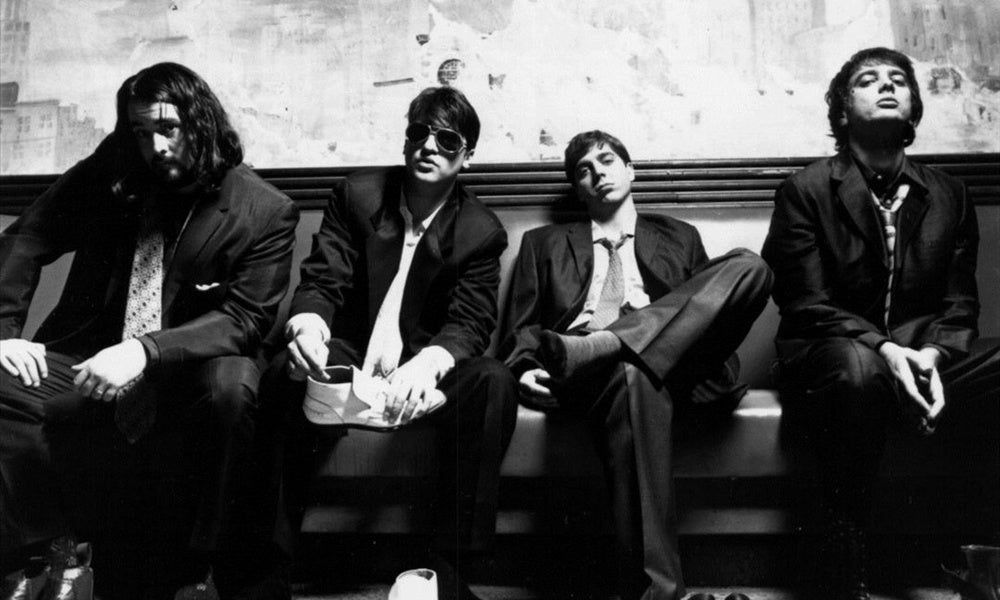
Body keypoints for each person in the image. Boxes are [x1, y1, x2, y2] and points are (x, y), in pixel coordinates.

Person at [0, 62, 298, 599]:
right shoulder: (112, 171)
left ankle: (202, 564)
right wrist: (4, 333)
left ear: (201, 122)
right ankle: (52, 548)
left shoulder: (264, 209)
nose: (155, 147)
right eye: (141, 132)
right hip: (91, 361)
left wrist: (145, 351)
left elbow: (245, 319)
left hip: (189, 370)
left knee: (234, 386)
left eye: (168, 128)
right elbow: (26, 237)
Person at [762, 47, 999, 600]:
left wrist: (932, 358)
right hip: (834, 353)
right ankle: (845, 567)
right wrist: (885, 350)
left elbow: (959, 305)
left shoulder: (950, 194)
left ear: (914, 106)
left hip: (921, 355)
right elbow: (805, 303)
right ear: (843, 112)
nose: (887, 86)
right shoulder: (805, 189)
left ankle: (979, 558)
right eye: (868, 81)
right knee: (859, 370)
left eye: (898, 80)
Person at [499, 130, 772, 600]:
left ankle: (610, 343)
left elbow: (707, 313)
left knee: (751, 266)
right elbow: (520, 328)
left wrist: (624, 339)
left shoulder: (680, 235)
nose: (597, 173)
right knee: (633, 374)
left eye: (607, 160)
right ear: (577, 187)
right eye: (584, 170)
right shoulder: (542, 243)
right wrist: (523, 370)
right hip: (592, 378)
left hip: (682, 366)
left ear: (630, 170)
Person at [272, 86, 518, 600]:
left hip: (420, 376)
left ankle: (450, 571)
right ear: (406, 142)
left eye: (446, 140)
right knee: (281, 371)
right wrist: (308, 328)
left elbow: (471, 322)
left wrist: (427, 366)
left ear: (467, 156)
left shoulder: (481, 229)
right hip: (350, 360)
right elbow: (323, 279)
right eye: (418, 133)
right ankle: (266, 571)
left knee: (493, 381)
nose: (428, 145)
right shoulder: (356, 196)